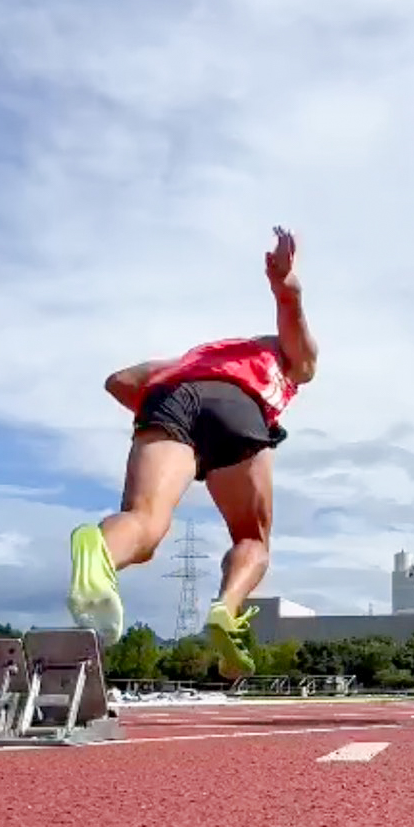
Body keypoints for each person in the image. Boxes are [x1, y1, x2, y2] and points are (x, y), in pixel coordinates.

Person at [66, 227, 317, 678]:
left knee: (144, 520)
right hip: (239, 409)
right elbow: (295, 327)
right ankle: (226, 609)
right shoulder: (280, 361)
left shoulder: (193, 359)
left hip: (170, 397)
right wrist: (286, 287)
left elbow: (119, 381)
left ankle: (100, 549)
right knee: (251, 538)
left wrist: (170, 424)